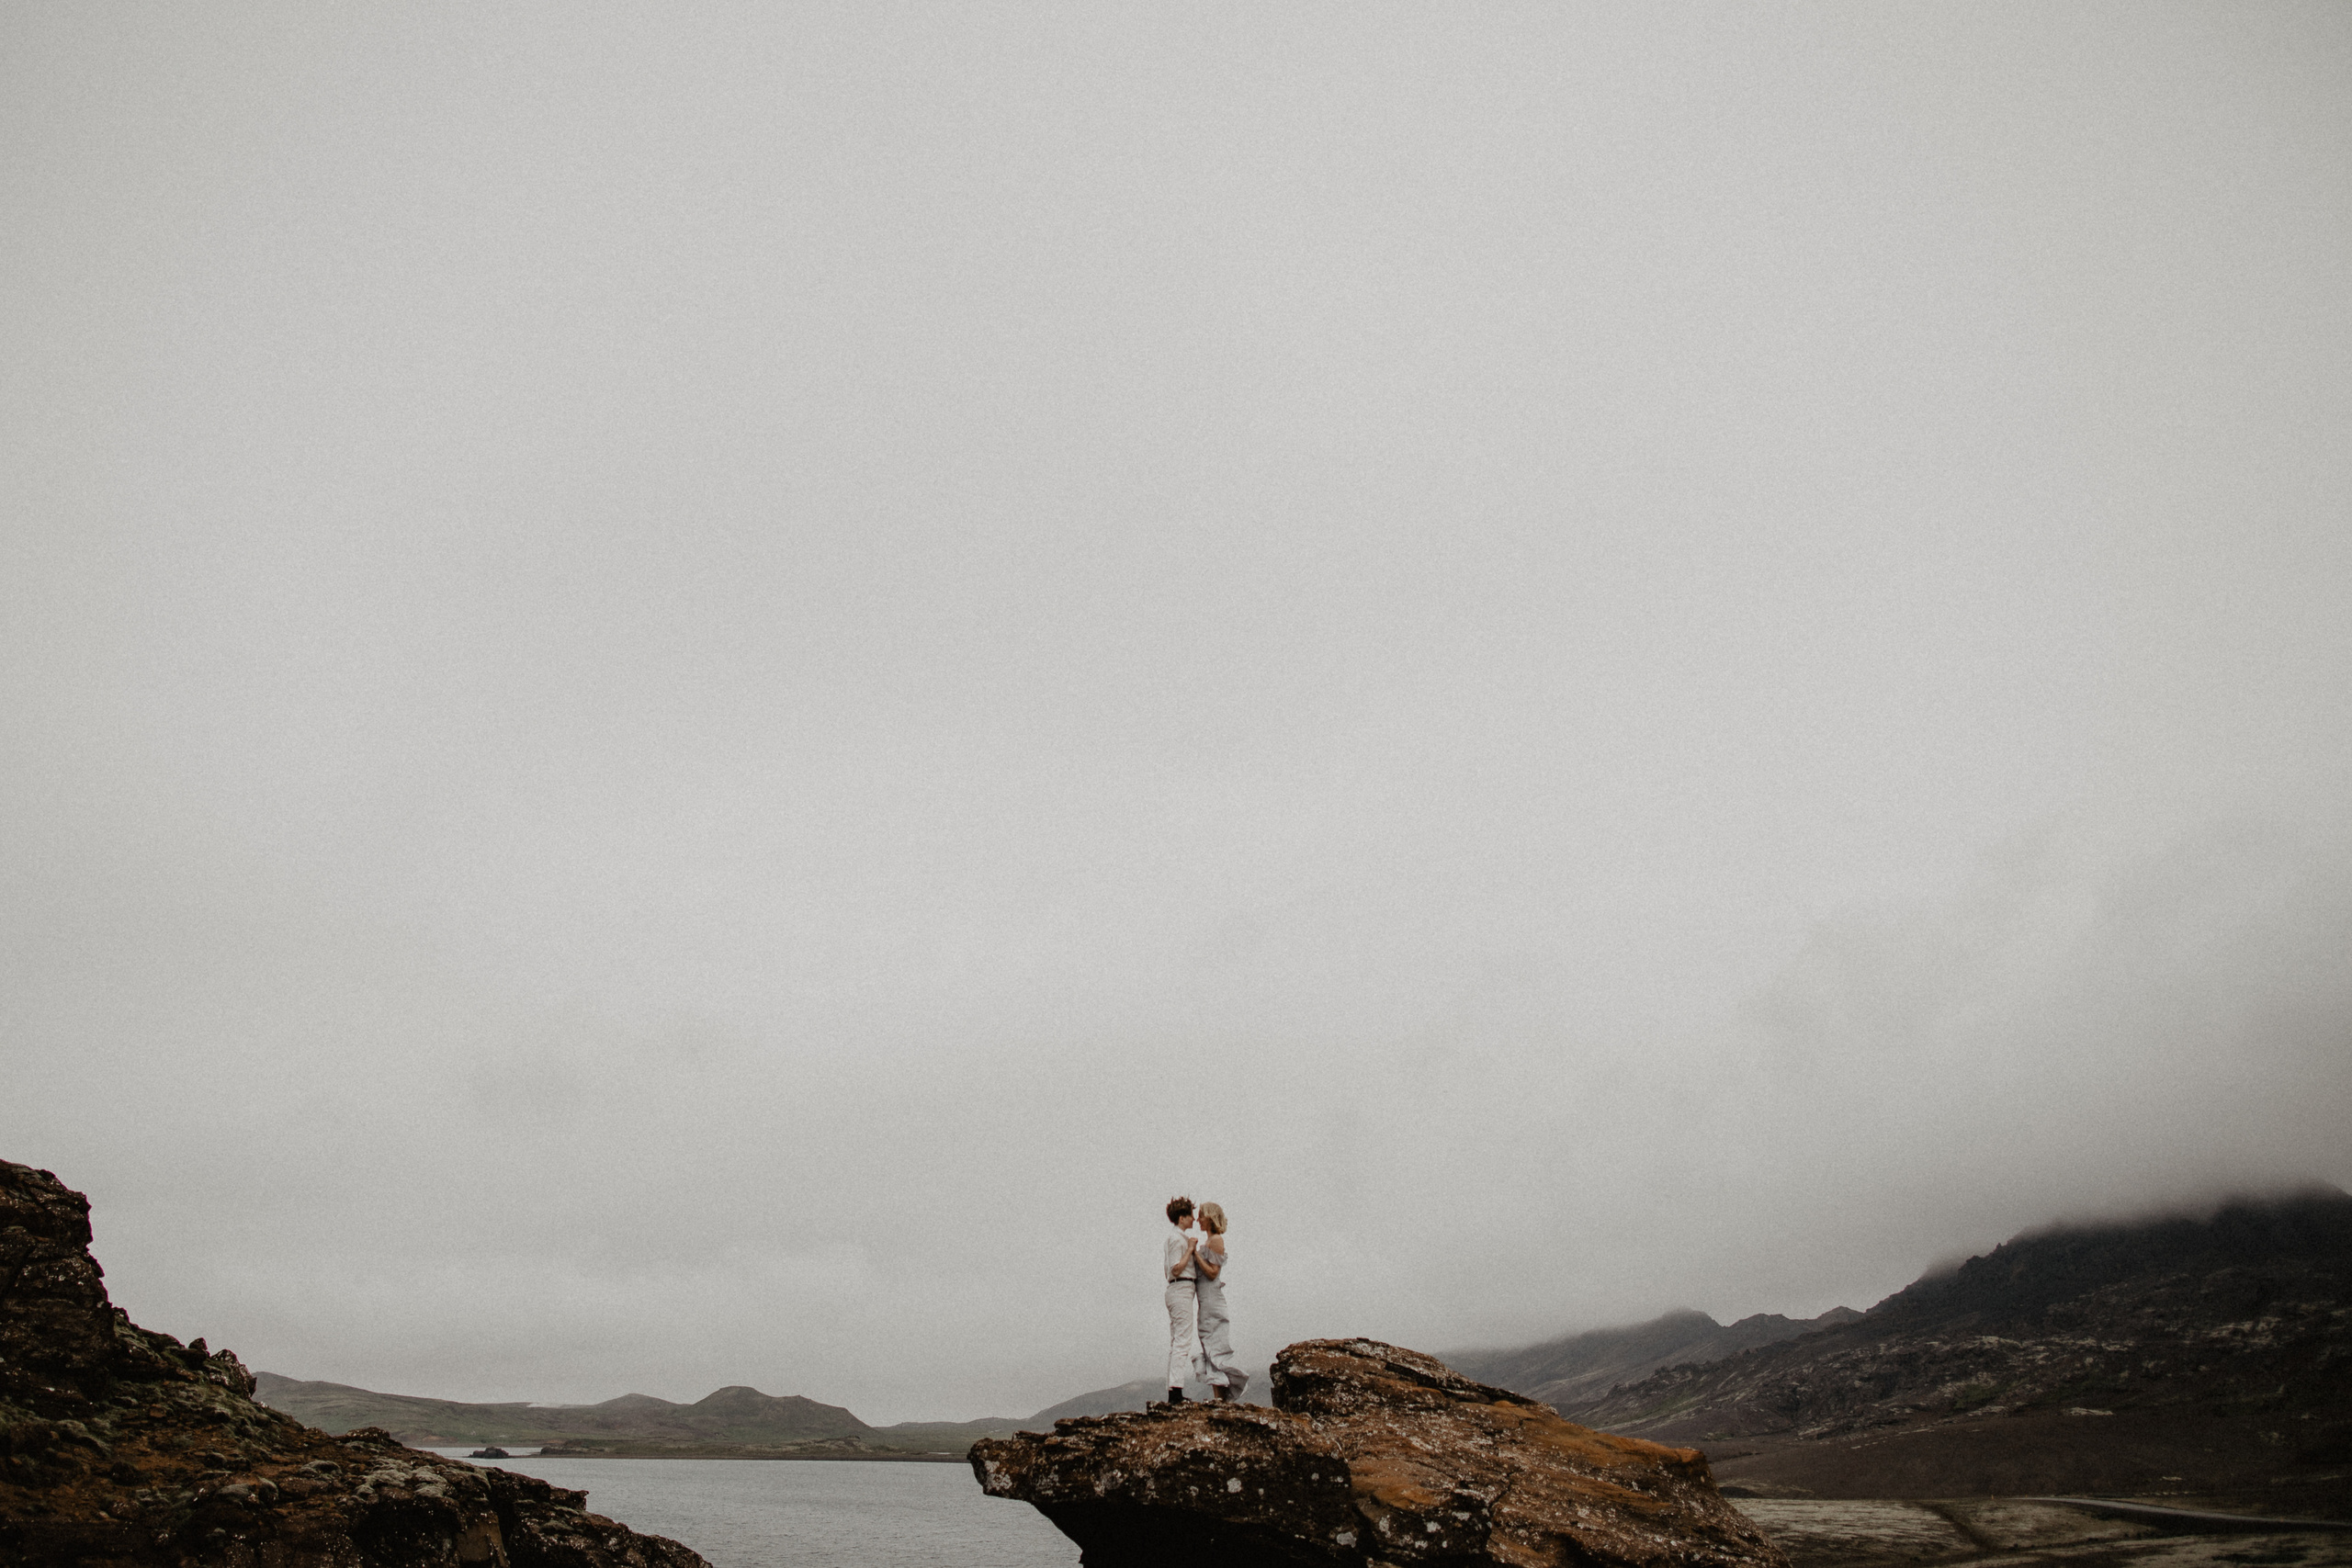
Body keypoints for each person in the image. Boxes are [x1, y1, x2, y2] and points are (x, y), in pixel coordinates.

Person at [1192, 1201, 1249, 1402]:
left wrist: (1194, 1254)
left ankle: (1221, 1397)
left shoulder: (1216, 1240)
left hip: (1212, 1302)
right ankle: (1219, 1397)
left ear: (1210, 1217)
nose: (1198, 1219)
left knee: (1213, 1345)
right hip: (1206, 1303)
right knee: (1209, 1346)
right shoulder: (1209, 1242)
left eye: (1201, 1216)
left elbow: (1213, 1273)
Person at [1162, 1195, 1201, 1403]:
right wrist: (1191, 1250)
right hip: (1181, 1287)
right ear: (1182, 1217)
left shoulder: (1172, 1238)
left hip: (1174, 1290)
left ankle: (1173, 1389)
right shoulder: (1178, 1239)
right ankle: (1176, 1392)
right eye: (1190, 1216)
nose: (1193, 1220)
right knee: (1183, 1340)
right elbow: (1176, 1268)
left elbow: (1167, 1270)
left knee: (1176, 1340)